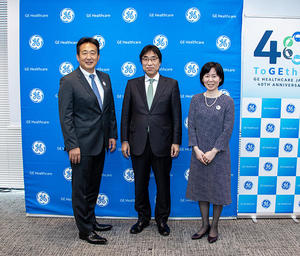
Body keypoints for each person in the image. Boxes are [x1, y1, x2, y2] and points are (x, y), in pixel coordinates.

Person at [58, 37, 118, 245]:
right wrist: (72, 145)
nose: (89, 56)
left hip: (100, 143)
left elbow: (109, 110)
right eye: (84, 53)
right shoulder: (69, 81)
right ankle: (84, 230)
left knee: (93, 186)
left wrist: (112, 134)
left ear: (98, 56)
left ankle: (91, 220)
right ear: (77, 56)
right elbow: (65, 116)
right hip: (81, 146)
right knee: (81, 188)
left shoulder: (105, 78)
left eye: (93, 52)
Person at [121, 45, 182, 236]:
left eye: (153, 58)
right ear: (141, 62)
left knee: (163, 183)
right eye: (146, 59)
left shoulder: (171, 84)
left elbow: (176, 116)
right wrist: (124, 140)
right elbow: (126, 115)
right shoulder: (132, 84)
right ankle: (142, 218)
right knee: (140, 182)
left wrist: (176, 141)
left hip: (163, 143)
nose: (150, 62)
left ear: (160, 62)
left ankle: (162, 220)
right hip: (137, 142)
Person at [186, 62, 234, 243]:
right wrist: (196, 149)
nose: (210, 79)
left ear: (220, 78)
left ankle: (214, 226)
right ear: (202, 78)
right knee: (201, 189)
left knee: (217, 190)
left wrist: (213, 151)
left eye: (214, 76)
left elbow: (227, 130)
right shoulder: (196, 99)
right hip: (199, 153)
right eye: (207, 76)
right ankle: (204, 224)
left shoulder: (227, 101)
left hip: (219, 154)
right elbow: (191, 127)